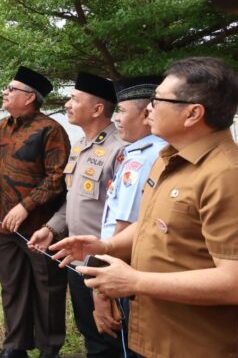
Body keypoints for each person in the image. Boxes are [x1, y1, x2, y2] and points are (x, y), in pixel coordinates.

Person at [50, 57, 238, 357]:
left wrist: (137, 281)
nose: (148, 109)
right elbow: (151, 223)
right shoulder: (169, 159)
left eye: (157, 100)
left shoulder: (226, 175)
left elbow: (233, 282)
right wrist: (106, 245)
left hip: (195, 344)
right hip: (154, 334)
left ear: (193, 114)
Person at [0, 67, 70, 358]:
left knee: (47, 288)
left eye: (11, 89)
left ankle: (49, 349)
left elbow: (56, 178)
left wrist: (25, 206)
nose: (5, 93)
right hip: (3, 226)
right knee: (12, 286)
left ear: (30, 97)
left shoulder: (50, 130)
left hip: (41, 227)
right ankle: (15, 344)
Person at [27, 72, 126, 358]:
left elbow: (123, 218)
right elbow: (74, 201)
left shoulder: (119, 151)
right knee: (89, 331)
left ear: (97, 109)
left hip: (104, 262)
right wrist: (52, 228)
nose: (68, 104)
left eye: (74, 99)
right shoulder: (80, 146)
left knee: (109, 337)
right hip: (78, 260)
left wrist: (103, 267)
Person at [93, 76, 166, 347]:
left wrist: (102, 290)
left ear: (146, 114)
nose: (116, 119)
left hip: (126, 268)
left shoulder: (146, 157)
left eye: (123, 111)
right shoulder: (139, 152)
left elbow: (125, 226)